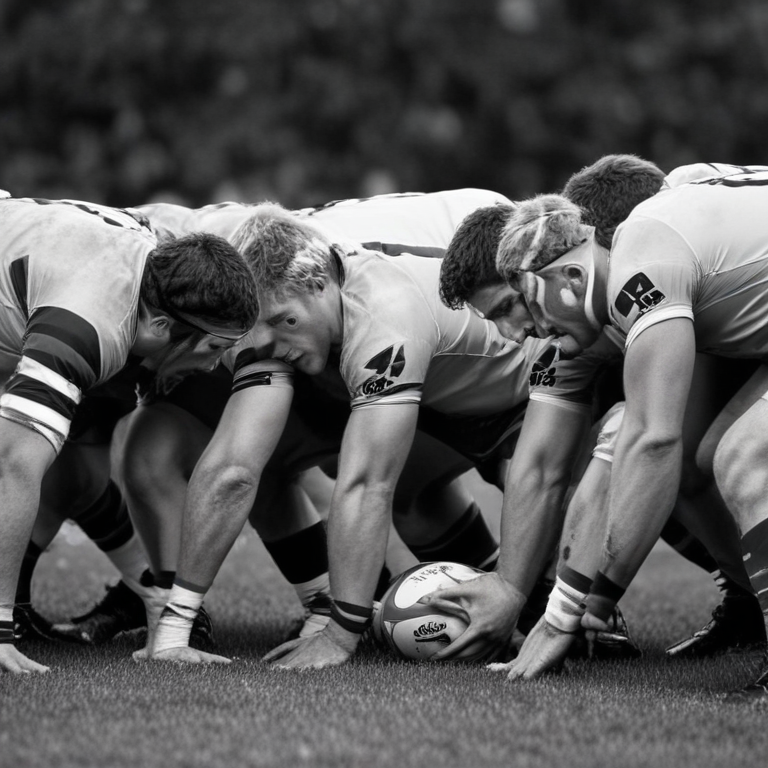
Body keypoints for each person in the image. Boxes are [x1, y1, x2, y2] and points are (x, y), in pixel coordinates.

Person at [140, 200, 624, 668]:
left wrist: (340, 634)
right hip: (445, 391)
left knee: (545, 480)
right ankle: (512, 604)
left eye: (282, 321)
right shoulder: (268, 282)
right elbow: (248, 464)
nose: (265, 341)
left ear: (319, 286)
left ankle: (575, 607)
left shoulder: (381, 316)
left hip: (519, 383)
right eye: (257, 326)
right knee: (413, 498)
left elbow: (366, 484)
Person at [429, 180, 764, 665]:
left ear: (567, 274)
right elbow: (540, 465)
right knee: (695, 457)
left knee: (740, 455)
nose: (512, 334)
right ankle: (750, 602)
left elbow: (650, 442)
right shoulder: (577, 321)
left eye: (511, 305)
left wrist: (572, 609)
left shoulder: (638, 268)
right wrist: (512, 588)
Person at [0, 194, 257, 674]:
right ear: (160, 326)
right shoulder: (88, 325)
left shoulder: (153, 288)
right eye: (214, 346)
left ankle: (148, 597)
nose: (214, 365)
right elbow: (12, 465)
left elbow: (81, 475)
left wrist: (159, 597)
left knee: (77, 468)